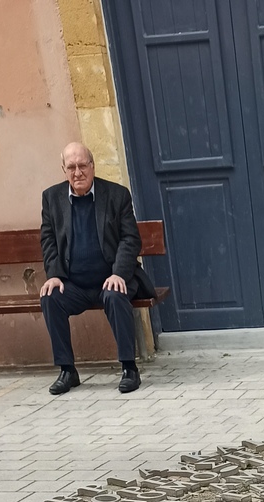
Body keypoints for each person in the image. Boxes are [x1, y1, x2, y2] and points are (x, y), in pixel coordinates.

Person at [39, 143, 153, 395]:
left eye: (82, 165)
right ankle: (67, 370)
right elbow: (48, 240)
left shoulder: (117, 195)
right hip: (75, 284)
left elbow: (130, 239)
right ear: (64, 169)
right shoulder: (51, 198)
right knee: (50, 297)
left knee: (115, 293)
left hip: (110, 278)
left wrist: (118, 273)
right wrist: (54, 275)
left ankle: (129, 368)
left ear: (92, 166)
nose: (77, 172)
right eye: (71, 167)